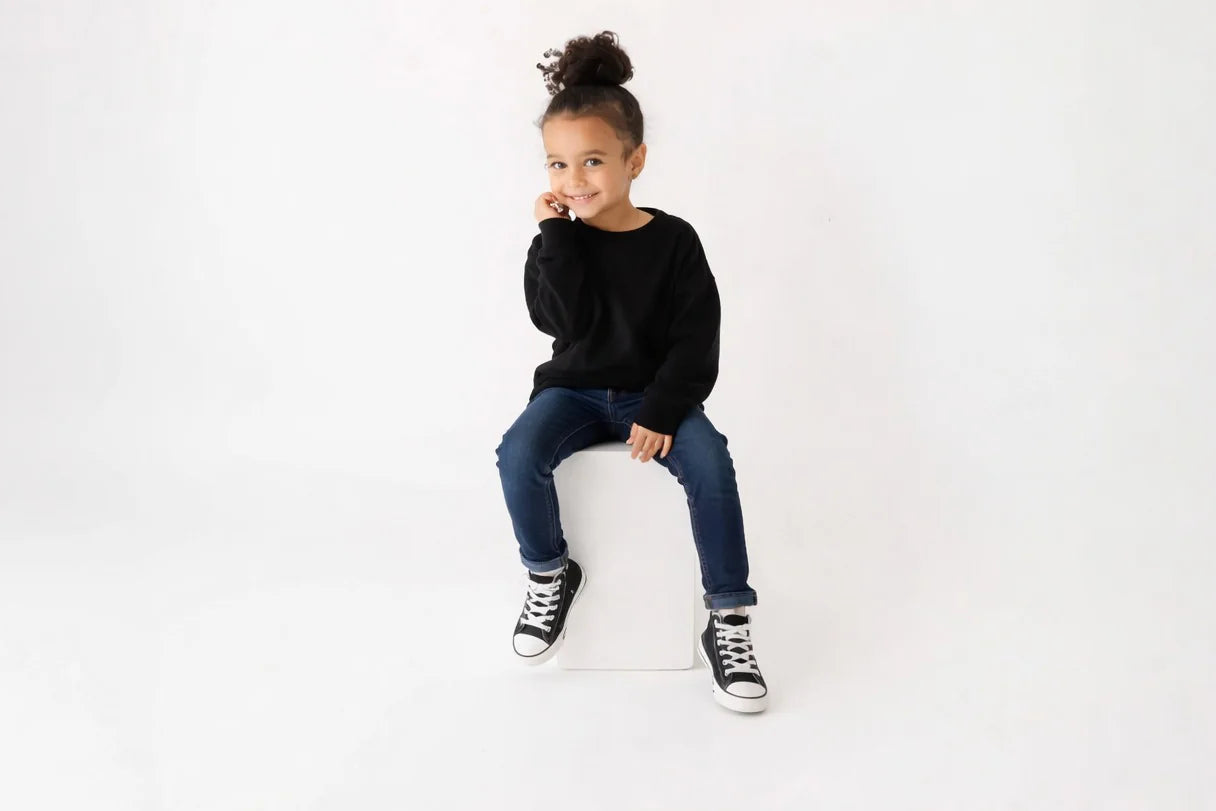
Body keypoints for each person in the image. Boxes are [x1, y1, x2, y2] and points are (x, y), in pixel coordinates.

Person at [494, 31, 768, 713]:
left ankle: (729, 619)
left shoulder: (673, 240)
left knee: (711, 464)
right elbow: (561, 322)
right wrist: (555, 235)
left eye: (592, 160)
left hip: (655, 394)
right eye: (557, 164)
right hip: (574, 394)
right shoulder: (556, 243)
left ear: (634, 160)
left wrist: (662, 409)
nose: (574, 179)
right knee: (518, 452)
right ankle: (549, 572)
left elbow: (696, 337)